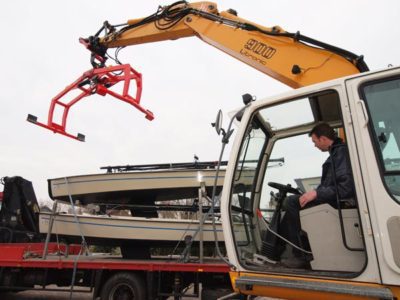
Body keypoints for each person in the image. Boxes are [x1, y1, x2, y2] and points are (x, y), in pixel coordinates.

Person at [279, 123, 355, 268]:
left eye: (315, 141)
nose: (314, 145)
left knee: (291, 202)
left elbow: (346, 188)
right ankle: (286, 249)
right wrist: (311, 193)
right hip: (333, 200)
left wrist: (316, 193)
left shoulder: (341, 154)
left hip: (339, 203)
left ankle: (300, 255)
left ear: (323, 139)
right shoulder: (336, 154)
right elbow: (329, 185)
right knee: (293, 205)